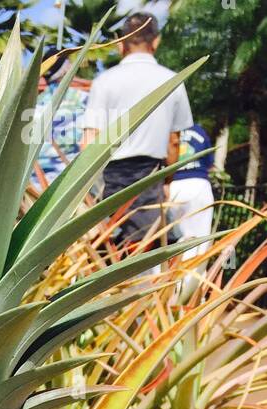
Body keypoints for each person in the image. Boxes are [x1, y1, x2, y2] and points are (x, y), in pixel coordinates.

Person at [80, 12, 193, 248]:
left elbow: (89, 141)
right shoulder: (172, 81)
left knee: (106, 248)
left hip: (110, 178)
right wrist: (166, 181)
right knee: (157, 245)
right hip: (150, 177)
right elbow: (174, 142)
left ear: (121, 43)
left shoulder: (105, 81)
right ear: (156, 41)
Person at [35, 51, 88, 183]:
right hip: (69, 181)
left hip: (37, 181)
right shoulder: (82, 100)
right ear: (66, 68)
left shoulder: (35, 104)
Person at [166, 123, 215, 257]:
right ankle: (193, 275)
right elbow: (210, 165)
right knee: (200, 240)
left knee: (170, 238)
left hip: (172, 185)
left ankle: (166, 275)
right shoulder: (199, 131)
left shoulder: (165, 129)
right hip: (198, 185)